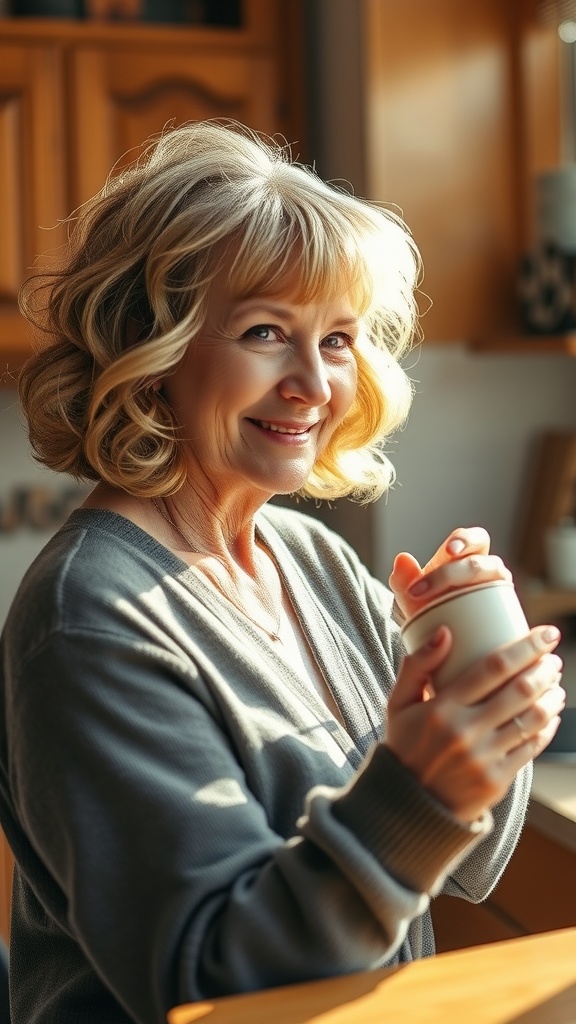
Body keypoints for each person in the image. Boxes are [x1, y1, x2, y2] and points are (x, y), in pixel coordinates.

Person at [0, 120, 564, 1024]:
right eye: (266, 331)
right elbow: (212, 986)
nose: (314, 383)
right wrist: (420, 784)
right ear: (150, 347)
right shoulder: (90, 619)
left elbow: (467, 861)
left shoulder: (311, 559)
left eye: (337, 339)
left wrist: (480, 697)